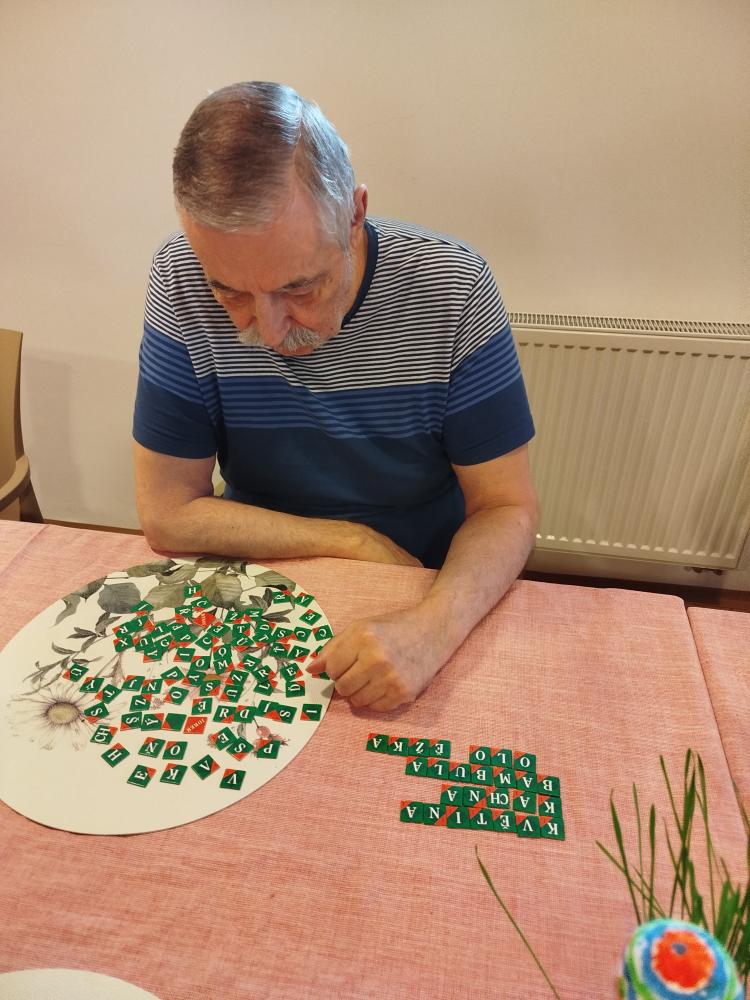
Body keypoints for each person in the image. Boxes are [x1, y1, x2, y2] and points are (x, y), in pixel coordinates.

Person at [133, 81, 539, 712]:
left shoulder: (453, 286)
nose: (270, 333)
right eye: (230, 292)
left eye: (299, 287)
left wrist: (432, 629)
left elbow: (506, 507)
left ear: (354, 215)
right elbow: (166, 513)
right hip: (259, 569)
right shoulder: (179, 276)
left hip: (423, 578)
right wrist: (350, 540)